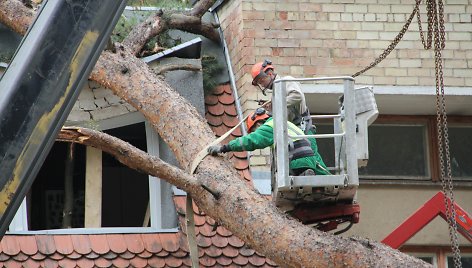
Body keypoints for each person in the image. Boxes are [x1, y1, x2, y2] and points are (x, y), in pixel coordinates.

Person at [207, 108, 330, 176]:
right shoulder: (284, 123)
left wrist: (224, 148)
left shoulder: (269, 126)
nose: (257, 132)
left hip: (296, 160)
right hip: (308, 158)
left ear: (259, 123)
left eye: (255, 129)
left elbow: (249, 141)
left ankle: (302, 174)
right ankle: (305, 172)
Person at [250, 59, 312, 133]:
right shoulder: (276, 92)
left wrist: (276, 105)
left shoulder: (286, 81)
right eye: (259, 83)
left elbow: (297, 96)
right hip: (293, 131)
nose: (262, 85)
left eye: (262, 81)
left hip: (303, 129)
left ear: (270, 74)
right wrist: (271, 108)